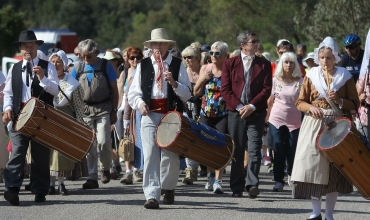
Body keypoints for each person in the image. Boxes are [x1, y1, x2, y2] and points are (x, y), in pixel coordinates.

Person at [291, 37, 359, 220]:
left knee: (333, 171)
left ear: (335, 58)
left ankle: (329, 214)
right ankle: (315, 212)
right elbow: (300, 102)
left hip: (336, 124)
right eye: (321, 57)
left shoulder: (344, 76)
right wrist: (310, 108)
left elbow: (355, 104)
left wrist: (339, 100)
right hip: (314, 124)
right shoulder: (311, 75)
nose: (324, 61)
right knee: (313, 167)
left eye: (328, 58)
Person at [128, 28, 191, 209]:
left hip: (171, 115)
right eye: (156, 44)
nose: (159, 47)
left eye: (162, 44)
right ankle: (152, 195)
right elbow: (134, 93)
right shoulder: (144, 65)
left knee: (170, 155)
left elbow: (187, 94)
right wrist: (140, 104)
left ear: (168, 46)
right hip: (149, 114)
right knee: (150, 154)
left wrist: (174, 83)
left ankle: (169, 187)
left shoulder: (178, 65)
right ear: (151, 46)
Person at [2, 30, 59, 205]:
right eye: (25, 46)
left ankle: (40, 190)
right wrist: (8, 108)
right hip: (20, 117)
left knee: (40, 156)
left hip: (42, 118)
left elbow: (55, 91)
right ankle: (11, 189)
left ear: (36, 47)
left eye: (32, 45)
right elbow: (8, 92)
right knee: (17, 153)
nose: (28, 48)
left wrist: (43, 78)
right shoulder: (15, 68)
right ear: (20, 49)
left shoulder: (47, 66)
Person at [221, 30, 272, 199]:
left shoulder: (264, 64)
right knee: (237, 148)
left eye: (257, 41)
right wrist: (239, 107)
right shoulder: (229, 63)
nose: (257, 43)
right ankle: (237, 187)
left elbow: (266, 89)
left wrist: (251, 106)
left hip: (256, 112)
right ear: (243, 45)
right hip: (235, 113)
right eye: (253, 41)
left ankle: (252, 184)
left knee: (255, 148)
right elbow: (225, 90)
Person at [70, 39, 119, 189]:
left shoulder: (106, 66)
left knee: (104, 140)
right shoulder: (77, 68)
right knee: (90, 144)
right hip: (84, 111)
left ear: (95, 53)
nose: (86, 59)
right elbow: (69, 89)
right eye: (83, 56)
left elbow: (115, 90)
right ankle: (92, 177)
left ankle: (105, 169)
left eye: (89, 56)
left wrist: (114, 110)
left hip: (104, 108)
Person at [194, 41, 229, 194]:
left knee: (220, 146)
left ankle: (218, 180)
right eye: (212, 53)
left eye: (217, 53)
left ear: (225, 56)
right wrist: (203, 79)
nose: (213, 56)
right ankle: (209, 176)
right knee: (206, 145)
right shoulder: (205, 68)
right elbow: (195, 92)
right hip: (206, 113)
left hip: (223, 114)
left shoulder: (229, 71)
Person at [49, 50, 85, 195]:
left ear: (64, 64)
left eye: (58, 62)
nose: (55, 64)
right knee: (49, 152)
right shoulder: (45, 81)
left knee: (61, 152)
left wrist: (80, 125)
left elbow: (79, 106)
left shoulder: (73, 83)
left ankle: (61, 184)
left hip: (65, 120)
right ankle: (50, 184)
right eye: (53, 62)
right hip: (48, 119)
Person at [267, 52, 303, 192]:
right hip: (276, 119)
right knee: (278, 149)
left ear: (295, 65)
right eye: (286, 62)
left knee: (292, 149)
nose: (288, 65)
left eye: (291, 62)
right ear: (281, 64)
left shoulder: (300, 81)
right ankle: (278, 180)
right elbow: (270, 101)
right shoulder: (275, 80)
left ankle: (292, 175)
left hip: (295, 120)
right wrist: (266, 118)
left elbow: (304, 100)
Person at [119, 46, 144, 184]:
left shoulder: (144, 71)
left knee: (139, 142)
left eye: (138, 57)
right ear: (127, 59)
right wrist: (121, 115)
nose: (135, 60)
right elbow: (123, 95)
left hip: (140, 110)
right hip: (128, 111)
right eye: (132, 58)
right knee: (128, 142)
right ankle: (128, 171)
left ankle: (137, 170)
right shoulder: (125, 73)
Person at [180, 43, 202, 185]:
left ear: (198, 58)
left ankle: (203, 166)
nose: (188, 60)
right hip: (186, 108)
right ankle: (190, 170)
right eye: (185, 57)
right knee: (188, 138)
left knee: (200, 140)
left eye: (190, 57)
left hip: (202, 108)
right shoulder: (183, 72)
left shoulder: (203, 71)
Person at [103, 49, 124, 179]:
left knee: (118, 139)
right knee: (109, 139)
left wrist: (116, 110)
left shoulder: (121, 73)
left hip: (120, 108)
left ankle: (117, 164)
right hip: (109, 108)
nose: (107, 63)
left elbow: (120, 93)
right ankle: (114, 165)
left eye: (109, 61)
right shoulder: (105, 73)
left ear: (116, 61)